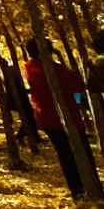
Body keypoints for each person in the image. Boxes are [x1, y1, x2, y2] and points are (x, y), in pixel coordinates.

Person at [23, 42, 85, 199]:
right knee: (79, 151)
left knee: (64, 153)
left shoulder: (30, 68)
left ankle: (77, 188)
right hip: (66, 117)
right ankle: (82, 186)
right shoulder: (53, 69)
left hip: (46, 118)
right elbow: (77, 85)